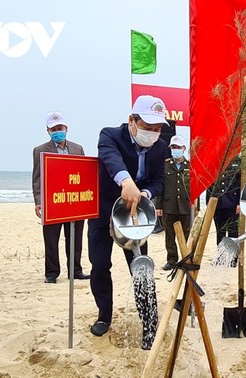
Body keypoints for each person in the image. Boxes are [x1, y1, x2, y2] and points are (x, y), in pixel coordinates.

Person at [88, 95, 168, 337]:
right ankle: (104, 316)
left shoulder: (160, 147)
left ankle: (149, 323)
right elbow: (110, 159)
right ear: (132, 120)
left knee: (140, 267)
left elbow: (159, 180)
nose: (153, 133)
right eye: (147, 127)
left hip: (135, 217)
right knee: (100, 266)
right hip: (103, 213)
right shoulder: (110, 135)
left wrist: (143, 193)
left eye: (157, 129)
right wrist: (126, 182)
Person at [32, 112, 89, 284]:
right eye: (54, 129)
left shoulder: (77, 148)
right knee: (51, 239)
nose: (58, 131)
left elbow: (83, 173)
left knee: (75, 238)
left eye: (60, 128)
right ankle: (51, 273)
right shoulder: (40, 150)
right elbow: (37, 177)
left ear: (66, 129)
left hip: (74, 200)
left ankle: (75, 270)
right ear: (48, 131)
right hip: (53, 201)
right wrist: (38, 201)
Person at [156, 135, 191, 271]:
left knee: (187, 234)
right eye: (173, 147)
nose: (175, 150)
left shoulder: (189, 166)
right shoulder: (165, 166)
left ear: (183, 148)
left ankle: (186, 258)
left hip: (185, 206)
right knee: (169, 236)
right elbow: (160, 186)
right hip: (168, 205)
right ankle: (171, 260)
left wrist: (195, 204)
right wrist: (158, 206)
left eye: (178, 147)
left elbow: (194, 187)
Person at [206, 156, 241, 266]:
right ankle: (220, 257)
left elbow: (241, 183)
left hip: (232, 202)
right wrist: (208, 203)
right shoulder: (214, 161)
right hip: (217, 202)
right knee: (220, 231)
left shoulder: (237, 161)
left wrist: (239, 202)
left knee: (232, 231)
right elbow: (209, 184)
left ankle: (233, 258)